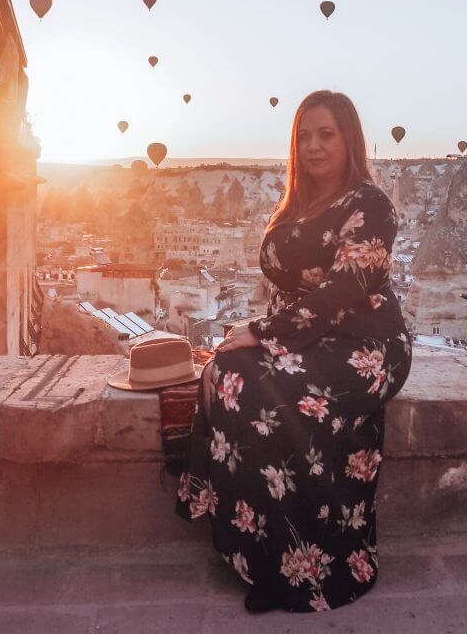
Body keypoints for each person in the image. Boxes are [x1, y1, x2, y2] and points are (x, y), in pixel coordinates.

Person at [174, 90, 412, 613]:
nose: (313, 146)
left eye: (326, 134)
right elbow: (290, 290)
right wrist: (259, 338)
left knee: (255, 388)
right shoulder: (298, 205)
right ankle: (261, 556)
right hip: (306, 339)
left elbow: (347, 286)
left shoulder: (370, 204)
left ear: (349, 139)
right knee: (228, 370)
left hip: (367, 348)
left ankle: (307, 566)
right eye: (304, 136)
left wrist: (264, 331)